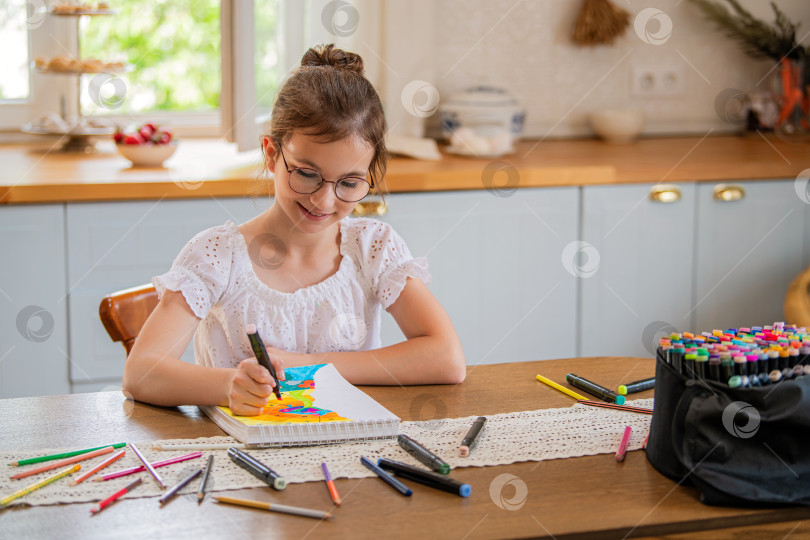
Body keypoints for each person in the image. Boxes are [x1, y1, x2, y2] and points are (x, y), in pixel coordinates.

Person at [123, 44, 466, 415]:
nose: (323, 200)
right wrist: (227, 386)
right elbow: (141, 373)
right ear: (271, 153)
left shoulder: (372, 247)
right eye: (306, 174)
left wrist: (311, 365)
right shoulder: (218, 256)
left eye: (349, 183)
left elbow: (446, 358)